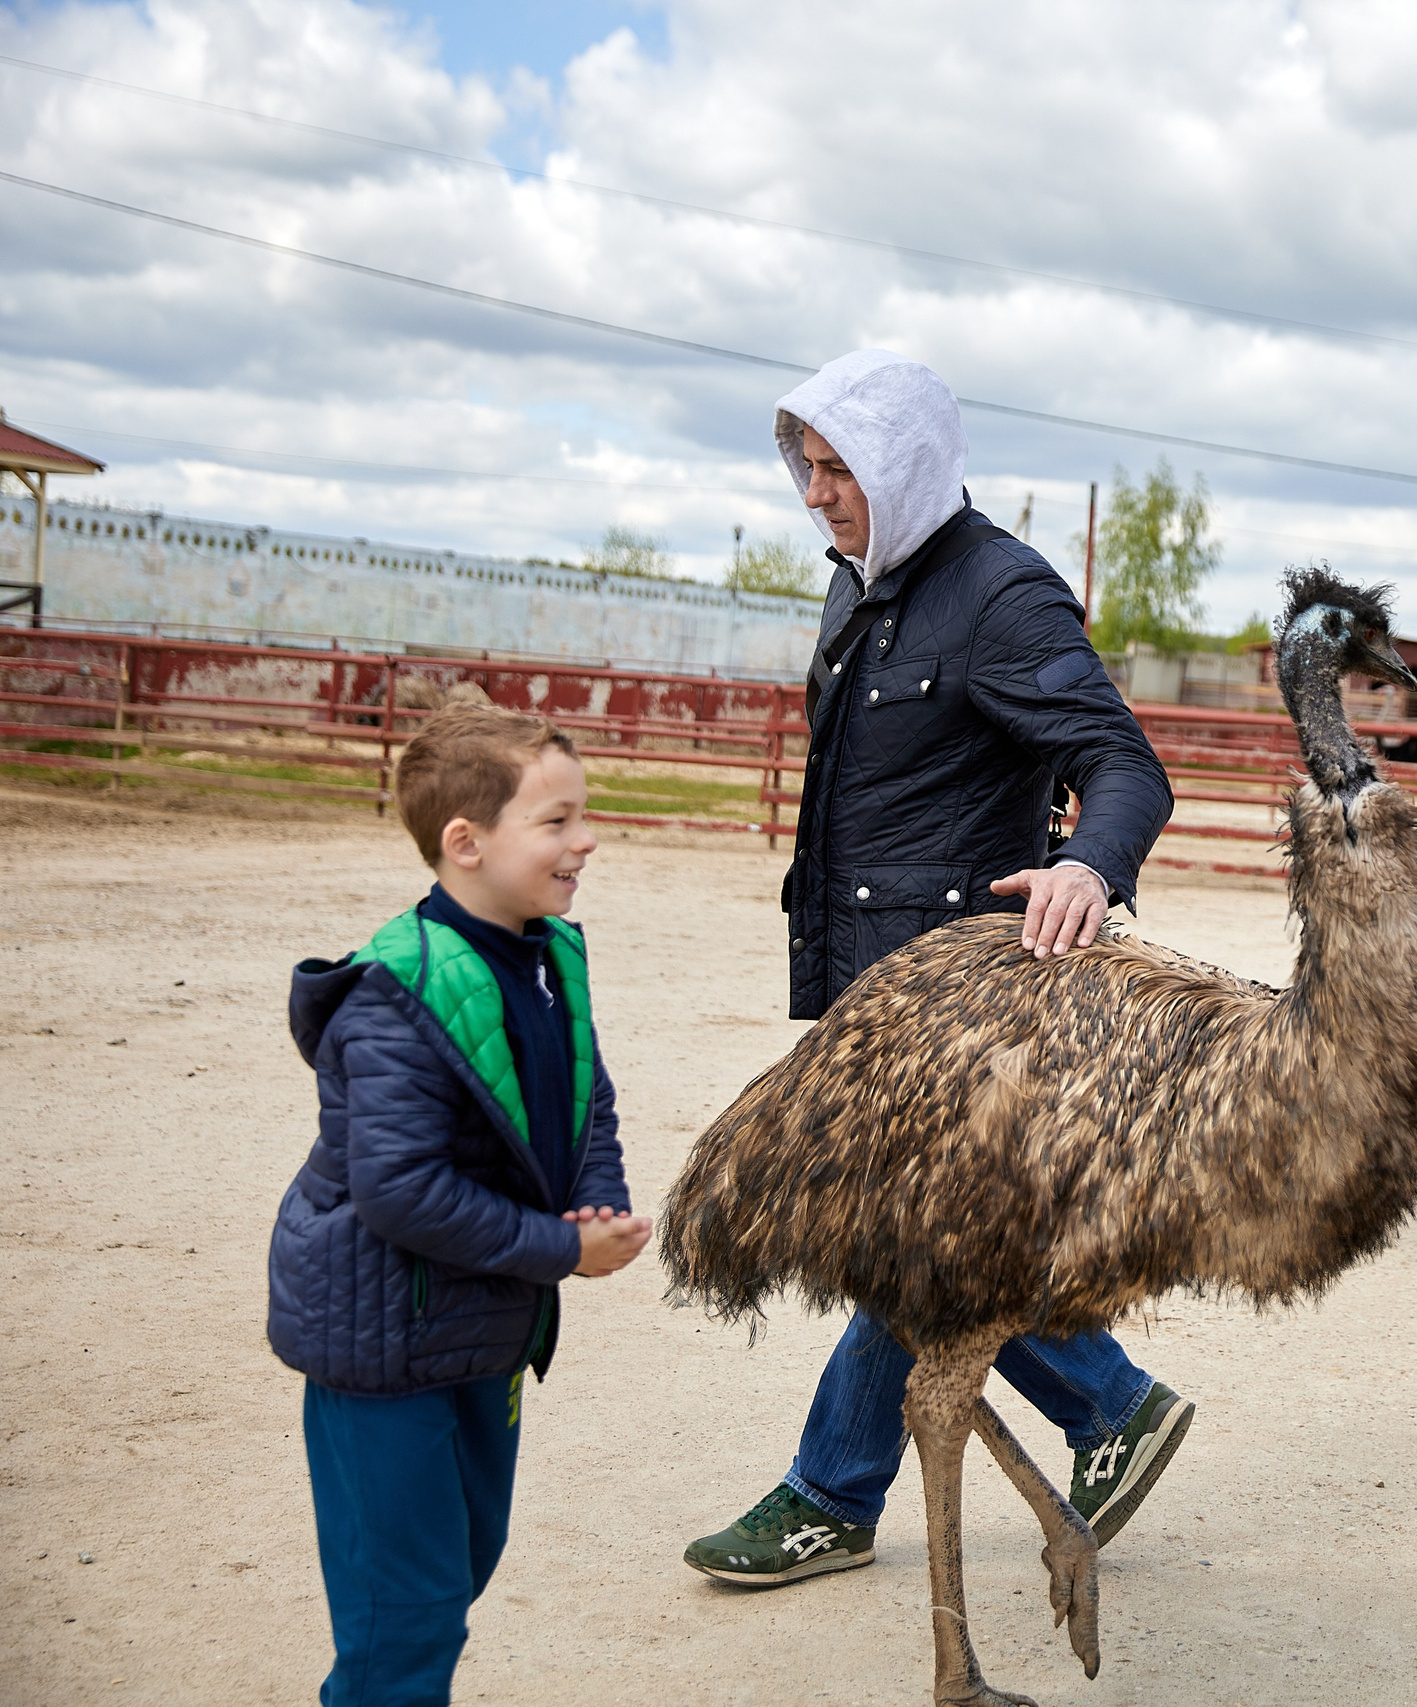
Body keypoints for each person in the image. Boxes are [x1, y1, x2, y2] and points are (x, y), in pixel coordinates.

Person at [684, 351, 1190, 1587]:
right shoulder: (858, 589)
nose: (816, 492)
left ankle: (844, 1490)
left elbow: (1125, 766)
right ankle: (1097, 1412)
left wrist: (1090, 868)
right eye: (804, 467)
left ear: (904, 462)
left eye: (839, 467)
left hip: (967, 1001)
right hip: (876, 988)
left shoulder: (1001, 596)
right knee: (913, 1241)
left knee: (901, 1241)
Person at [265, 703, 653, 1704]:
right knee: (407, 1621)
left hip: (484, 1331)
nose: (586, 838)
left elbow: (585, 1098)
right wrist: (558, 1253)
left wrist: (592, 1200)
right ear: (466, 844)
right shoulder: (392, 1000)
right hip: (384, 1347)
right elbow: (400, 1192)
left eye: (583, 815)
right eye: (556, 820)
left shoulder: (550, 959)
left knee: (466, 1560)